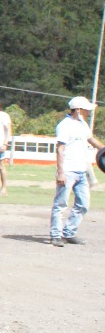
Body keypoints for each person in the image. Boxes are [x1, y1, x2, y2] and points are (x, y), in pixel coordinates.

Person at [50, 96, 102, 247]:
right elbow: (60, 149)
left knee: (83, 204)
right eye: (86, 110)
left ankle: (69, 233)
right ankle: (55, 235)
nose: (88, 113)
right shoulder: (65, 125)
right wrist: (60, 172)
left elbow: (91, 139)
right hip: (68, 170)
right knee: (60, 204)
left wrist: (103, 149)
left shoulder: (82, 124)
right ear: (78, 110)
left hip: (82, 170)